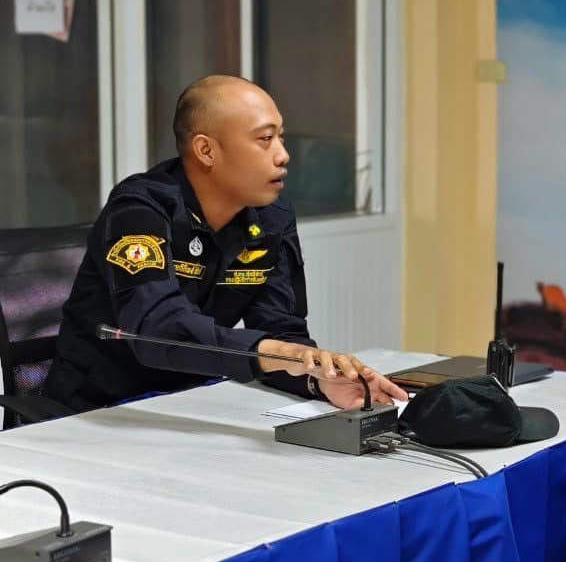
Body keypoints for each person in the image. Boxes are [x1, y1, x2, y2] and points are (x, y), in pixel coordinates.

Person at [44, 75, 407, 413]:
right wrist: (276, 352)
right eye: (265, 139)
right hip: (96, 410)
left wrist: (317, 379)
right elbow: (158, 332)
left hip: (191, 402)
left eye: (281, 137)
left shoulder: (271, 216)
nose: (283, 154)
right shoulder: (140, 209)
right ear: (206, 150)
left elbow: (282, 331)